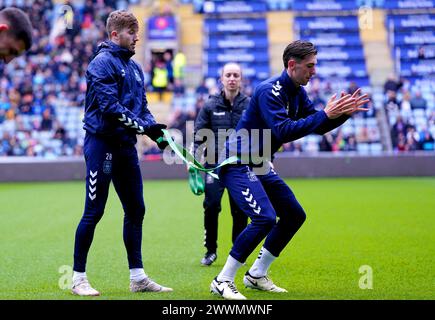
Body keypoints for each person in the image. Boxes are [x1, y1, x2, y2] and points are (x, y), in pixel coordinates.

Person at [209, 40, 369, 300]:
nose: (314, 71)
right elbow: (283, 130)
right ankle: (222, 280)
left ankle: (256, 275)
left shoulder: (297, 91)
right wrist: (325, 115)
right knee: (264, 218)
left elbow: (315, 125)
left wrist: (341, 114)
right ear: (292, 65)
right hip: (237, 162)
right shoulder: (268, 91)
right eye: (310, 66)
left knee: (294, 215)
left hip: (259, 163)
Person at [72, 10, 171, 296]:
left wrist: (157, 132)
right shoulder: (101, 64)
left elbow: (142, 108)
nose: (136, 37)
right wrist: (144, 127)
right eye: (131, 32)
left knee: (136, 209)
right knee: (94, 211)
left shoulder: (136, 69)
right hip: (101, 145)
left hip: (126, 146)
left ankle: (138, 278)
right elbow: (110, 108)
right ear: (115, 35)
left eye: (137, 32)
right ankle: (78, 278)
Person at [193, 62, 249, 266]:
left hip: (240, 166)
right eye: (228, 75)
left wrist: (266, 159)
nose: (232, 78)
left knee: (240, 210)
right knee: (211, 205)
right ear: (222, 79)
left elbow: (261, 134)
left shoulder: (250, 105)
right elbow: (199, 134)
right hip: (214, 165)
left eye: (236, 75)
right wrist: (194, 159)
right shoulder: (210, 105)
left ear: (241, 79)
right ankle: (210, 251)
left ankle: (238, 252)